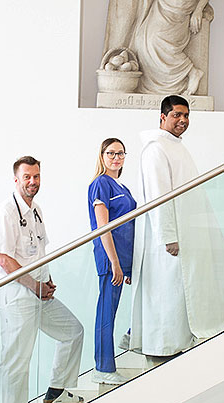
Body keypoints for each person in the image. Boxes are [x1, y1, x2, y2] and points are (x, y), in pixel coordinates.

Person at [130, 95, 224, 357]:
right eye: (177, 115)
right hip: (167, 238)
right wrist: (168, 236)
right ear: (162, 117)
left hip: (186, 230)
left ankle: (180, 340)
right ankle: (164, 345)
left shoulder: (176, 146)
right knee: (168, 291)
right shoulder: (156, 149)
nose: (183, 120)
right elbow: (159, 196)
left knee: (185, 287)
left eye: (186, 115)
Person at [0, 156, 85, 403]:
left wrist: (47, 279)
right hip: (17, 294)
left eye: (37, 176)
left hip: (38, 290)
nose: (33, 182)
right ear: (16, 180)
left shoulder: (36, 210)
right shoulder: (6, 211)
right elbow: (4, 259)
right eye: (27, 177)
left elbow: (39, 251)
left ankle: (58, 390)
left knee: (73, 331)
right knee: (17, 358)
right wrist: (35, 285)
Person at [88, 138, 137, 385]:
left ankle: (133, 335)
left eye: (120, 153)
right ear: (102, 155)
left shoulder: (123, 187)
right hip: (111, 260)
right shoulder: (100, 185)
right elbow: (102, 227)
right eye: (111, 153)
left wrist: (127, 264)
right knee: (107, 312)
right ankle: (104, 367)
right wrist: (116, 263)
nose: (116, 157)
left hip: (126, 259)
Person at [132, 0, 209, 95]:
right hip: (161, 6)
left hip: (179, 9)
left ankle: (191, 71)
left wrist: (198, 10)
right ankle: (154, 85)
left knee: (157, 39)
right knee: (142, 38)